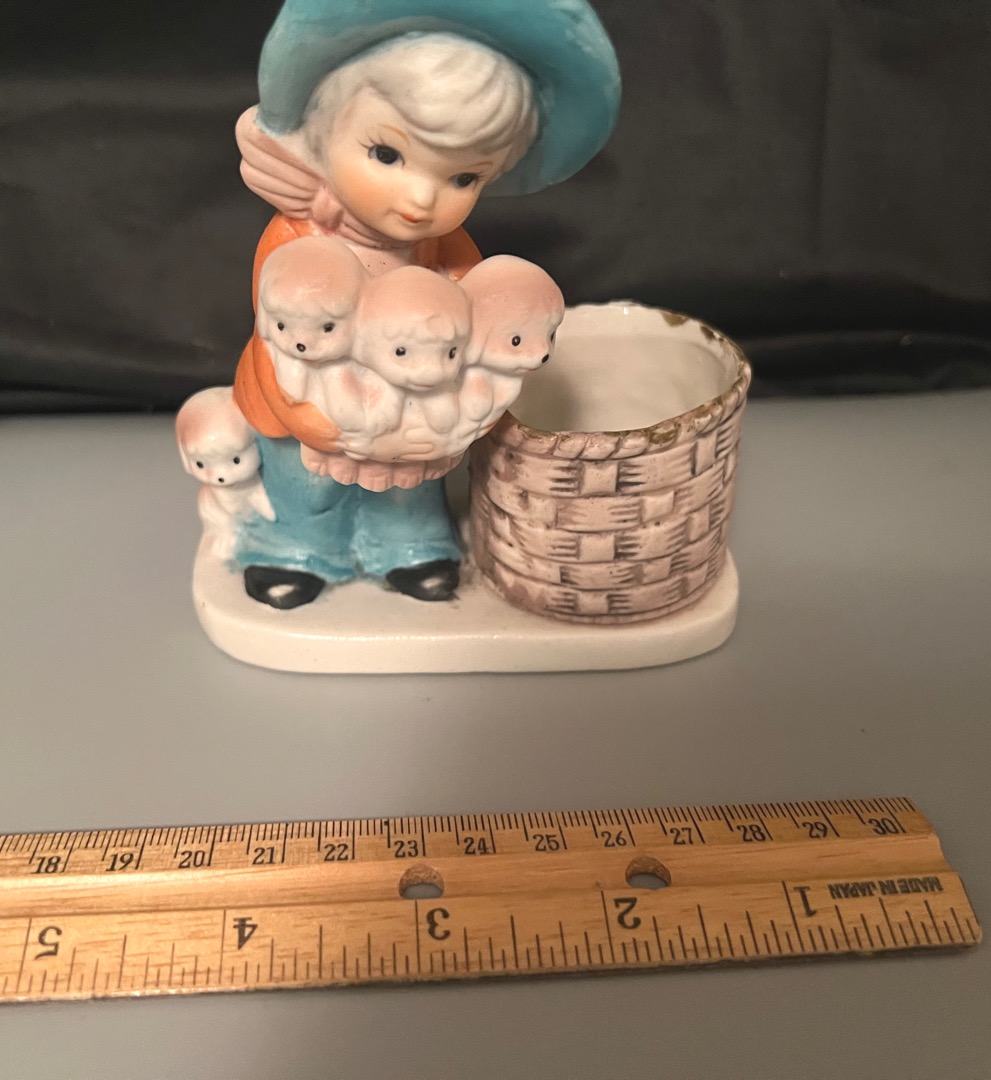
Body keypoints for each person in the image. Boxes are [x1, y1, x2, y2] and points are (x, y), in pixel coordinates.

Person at [230, 0, 620, 609]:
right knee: (305, 482)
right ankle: (298, 547)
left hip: (414, 398)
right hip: (309, 407)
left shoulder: (440, 247)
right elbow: (283, 342)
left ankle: (407, 544)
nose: (419, 200)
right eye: (386, 155)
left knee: (408, 486)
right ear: (321, 134)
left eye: (463, 179)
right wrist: (320, 424)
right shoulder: (297, 242)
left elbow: (477, 306)